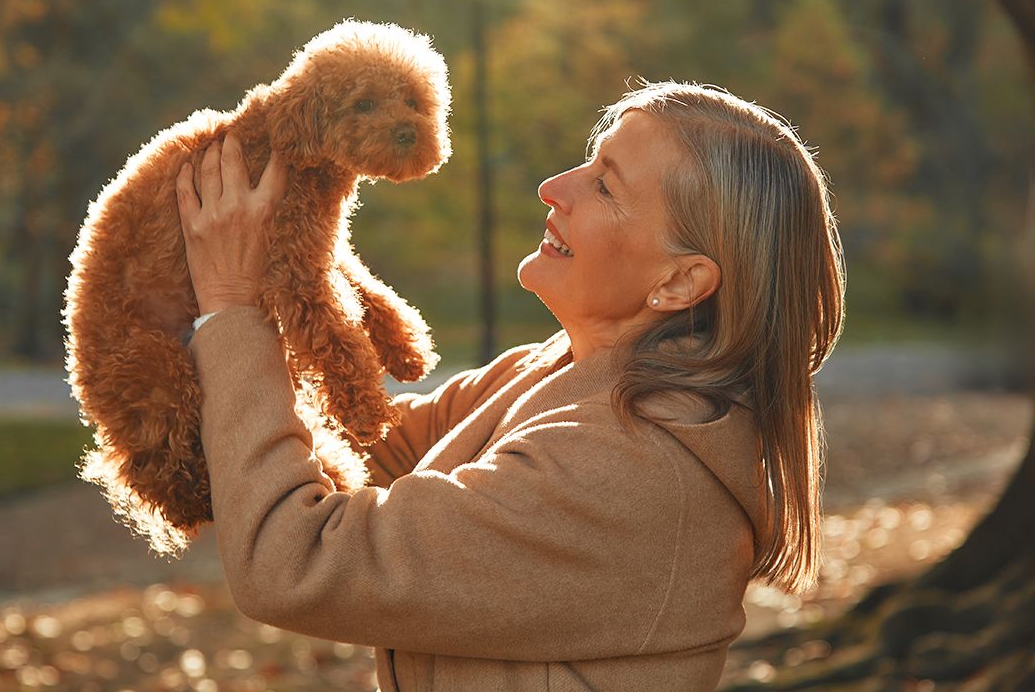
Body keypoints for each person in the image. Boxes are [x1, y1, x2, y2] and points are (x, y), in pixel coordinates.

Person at [174, 80, 845, 692]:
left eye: (605, 186)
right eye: (590, 161)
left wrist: (232, 307)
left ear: (679, 283)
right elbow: (362, 449)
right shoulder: (562, 371)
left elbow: (295, 561)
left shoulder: (629, 469)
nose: (555, 187)